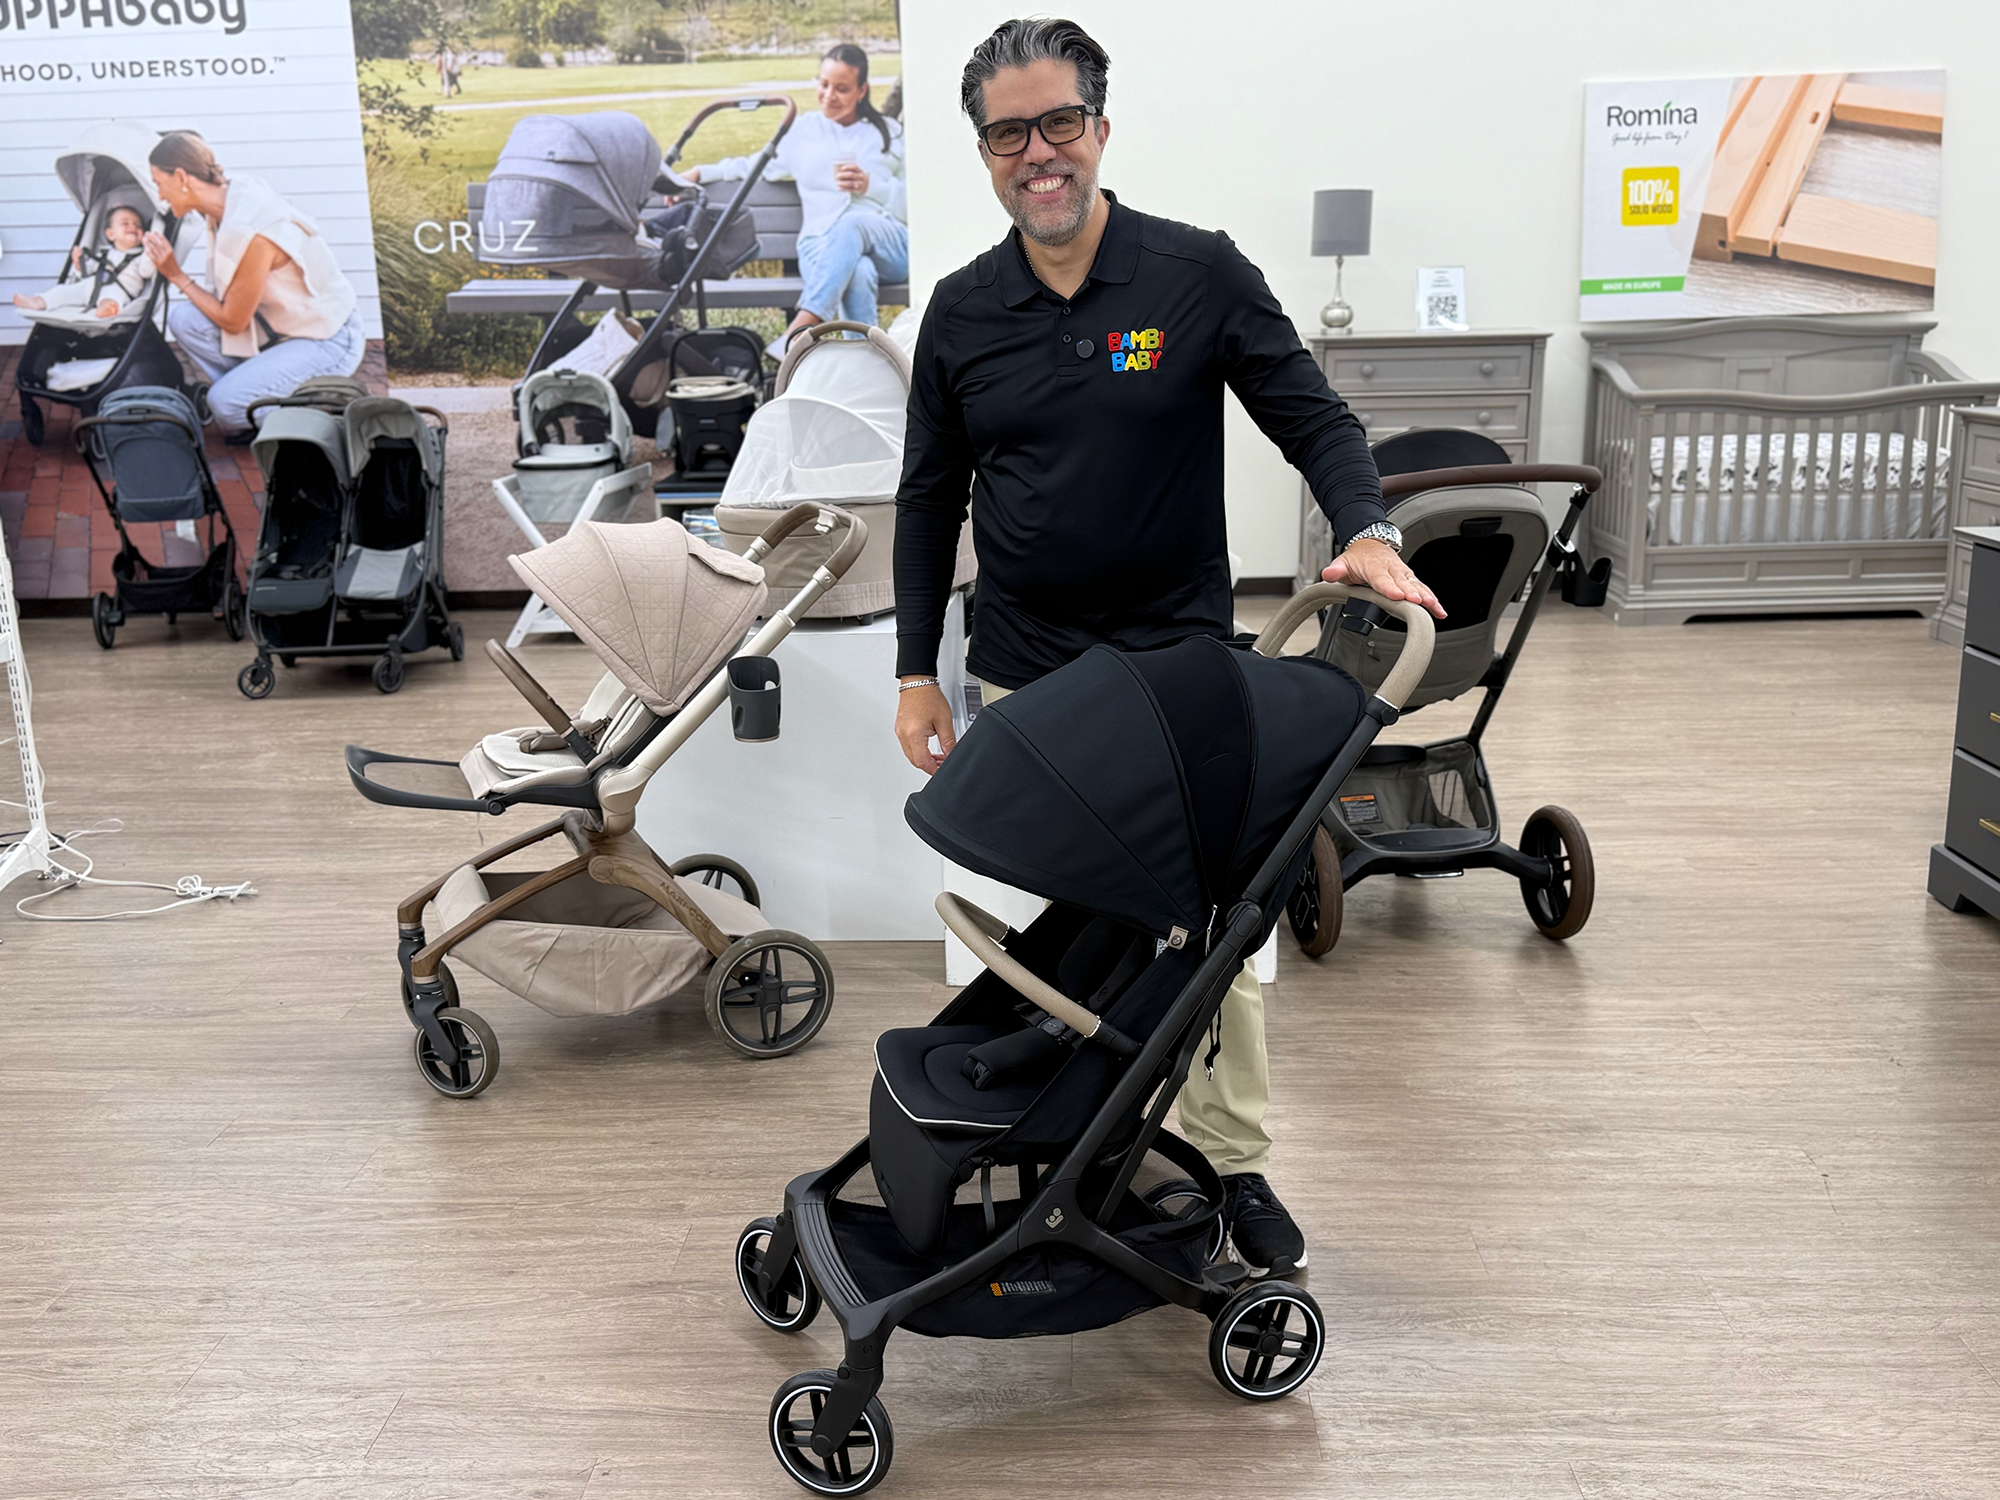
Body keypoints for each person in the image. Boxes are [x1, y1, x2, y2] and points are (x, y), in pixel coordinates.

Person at [892, 18, 1445, 1280]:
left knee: (1216, 926)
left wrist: (1364, 529)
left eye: (1058, 122)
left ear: (1098, 126)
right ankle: (1062, 1131)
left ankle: (1230, 1159)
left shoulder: (1195, 273)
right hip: (1026, 673)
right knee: (1054, 920)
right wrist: (917, 671)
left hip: (1178, 669)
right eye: (1008, 134)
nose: (1037, 152)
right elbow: (927, 503)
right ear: (983, 153)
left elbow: (1312, 415)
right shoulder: (963, 312)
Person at [682, 44, 907, 359]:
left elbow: (915, 204)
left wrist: (873, 186)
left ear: (862, 91)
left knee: (853, 223)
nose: (829, 95)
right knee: (859, 271)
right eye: (824, 84)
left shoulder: (890, 134)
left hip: (889, 245)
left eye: (842, 88)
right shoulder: (804, 131)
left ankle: (801, 327)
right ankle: (867, 366)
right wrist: (699, 172)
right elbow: (753, 165)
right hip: (820, 245)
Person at [141, 131, 365, 438]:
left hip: (327, 338)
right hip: (280, 330)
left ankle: (306, 409)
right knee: (184, 320)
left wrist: (176, 275)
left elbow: (233, 321)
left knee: (225, 405)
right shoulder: (225, 203)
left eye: (158, 183)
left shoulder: (252, 229)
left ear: (181, 177)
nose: (160, 195)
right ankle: (257, 391)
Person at [12, 203, 155, 320]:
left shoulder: (140, 256)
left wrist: (150, 250)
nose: (133, 227)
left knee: (111, 298)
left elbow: (146, 271)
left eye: (138, 225)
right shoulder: (104, 253)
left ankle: (106, 309)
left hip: (119, 290)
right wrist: (79, 264)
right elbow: (88, 271)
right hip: (90, 286)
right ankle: (38, 301)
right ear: (111, 234)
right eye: (125, 223)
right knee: (62, 291)